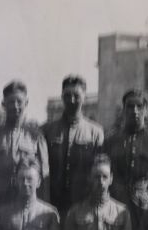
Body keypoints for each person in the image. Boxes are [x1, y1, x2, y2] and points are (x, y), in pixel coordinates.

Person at [0, 80, 50, 230]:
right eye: (11, 102)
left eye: (19, 101)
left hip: (26, 201)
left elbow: (44, 177)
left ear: (26, 103)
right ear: (3, 104)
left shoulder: (36, 137)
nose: (15, 107)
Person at [43, 74, 106, 212]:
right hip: (52, 202)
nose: (71, 100)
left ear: (84, 97)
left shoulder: (95, 132)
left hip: (83, 202)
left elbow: (99, 169)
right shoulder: (47, 130)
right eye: (67, 95)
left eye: (76, 95)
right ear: (61, 97)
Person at [103, 89, 148, 223]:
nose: (134, 110)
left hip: (145, 205)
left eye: (139, 106)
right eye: (130, 106)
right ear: (123, 110)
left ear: (146, 111)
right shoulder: (110, 141)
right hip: (115, 203)